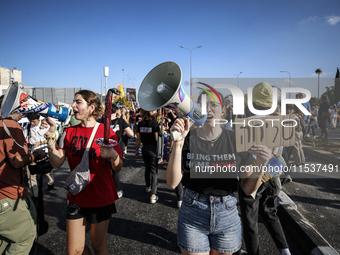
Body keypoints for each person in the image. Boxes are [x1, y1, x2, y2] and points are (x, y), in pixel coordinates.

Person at [166, 89, 272, 255]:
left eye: (213, 104)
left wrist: (260, 165)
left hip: (227, 215)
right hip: (193, 214)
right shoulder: (187, 138)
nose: (208, 109)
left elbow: (247, 189)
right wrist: (178, 143)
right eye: (202, 105)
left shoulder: (238, 141)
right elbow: (172, 183)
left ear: (223, 109)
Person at [42, 90, 123, 255]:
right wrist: (50, 139)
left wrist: (113, 155)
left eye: (78, 102)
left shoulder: (106, 132)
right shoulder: (69, 132)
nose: (73, 106)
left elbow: (118, 167)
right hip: (76, 196)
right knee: (74, 251)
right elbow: (56, 162)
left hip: (101, 197)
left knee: (98, 246)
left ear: (91, 107)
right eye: (74, 102)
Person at [239, 82, 292, 255]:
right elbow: (280, 155)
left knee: (250, 220)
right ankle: (285, 251)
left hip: (253, 176)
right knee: (270, 213)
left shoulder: (246, 123)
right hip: (272, 177)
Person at [0, 95, 47, 254]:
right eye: (22, 108)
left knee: (4, 242)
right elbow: (16, 161)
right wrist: (38, 155)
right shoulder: (10, 125)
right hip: (8, 193)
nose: (24, 113)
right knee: (24, 237)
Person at [101, 104, 133, 198]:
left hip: (103, 149)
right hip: (117, 148)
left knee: (104, 170)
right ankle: (115, 191)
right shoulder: (121, 121)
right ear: (116, 111)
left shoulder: (102, 121)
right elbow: (131, 134)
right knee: (115, 171)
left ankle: (104, 190)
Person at [26, 113, 55, 195]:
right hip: (32, 153)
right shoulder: (28, 127)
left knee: (47, 171)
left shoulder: (47, 125)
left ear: (39, 118)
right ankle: (34, 194)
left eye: (33, 121)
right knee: (31, 174)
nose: (32, 123)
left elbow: (52, 139)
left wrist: (40, 143)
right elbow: (25, 138)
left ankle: (51, 183)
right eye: (30, 121)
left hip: (43, 153)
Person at [135, 109, 160, 204]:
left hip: (144, 148)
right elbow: (157, 138)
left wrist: (136, 150)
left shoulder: (140, 124)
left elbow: (138, 139)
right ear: (150, 112)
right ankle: (153, 195)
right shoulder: (154, 123)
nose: (155, 112)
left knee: (147, 168)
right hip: (153, 149)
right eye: (154, 111)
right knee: (154, 171)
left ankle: (147, 186)